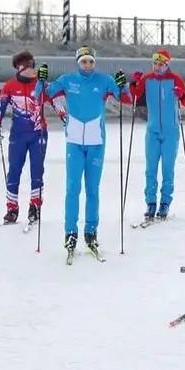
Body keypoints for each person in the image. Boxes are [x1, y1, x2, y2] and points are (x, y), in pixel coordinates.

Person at [35, 46, 132, 257]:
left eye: (90, 61)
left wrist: (123, 86)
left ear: (95, 63)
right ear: (78, 62)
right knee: (72, 189)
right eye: (83, 61)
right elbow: (42, 96)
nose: (87, 65)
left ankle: (91, 232)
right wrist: (40, 81)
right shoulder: (68, 80)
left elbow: (126, 99)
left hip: (96, 143)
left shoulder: (104, 80)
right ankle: (70, 233)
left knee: (93, 190)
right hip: (74, 142)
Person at [0, 50, 65, 225]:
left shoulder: (41, 85)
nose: (31, 70)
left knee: (37, 170)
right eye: (26, 67)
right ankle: (12, 208)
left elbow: (56, 101)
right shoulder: (10, 86)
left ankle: (35, 206)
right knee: (14, 171)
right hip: (18, 135)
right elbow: (1, 104)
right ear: (19, 69)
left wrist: (65, 117)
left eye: (33, 66)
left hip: (38, 133)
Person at [128, 48, 185, 221]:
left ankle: (165, 202)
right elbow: (134, 95)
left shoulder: (175, 79)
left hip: (171, 131)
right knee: (150, 168)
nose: (157, 67)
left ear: (167, 64)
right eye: (154, 64)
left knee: (167, 168)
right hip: (153, 130)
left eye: (160, 64)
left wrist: (182, 94)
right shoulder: (147, 79)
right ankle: (150, 202)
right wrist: (133, 83)